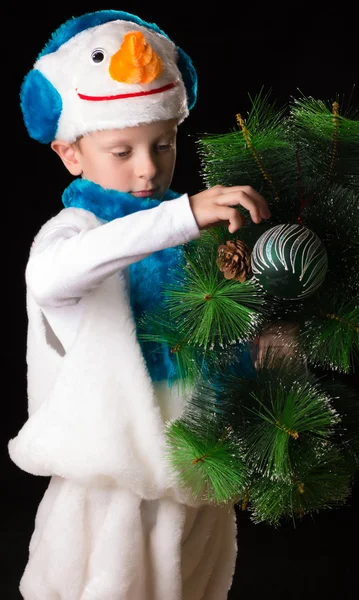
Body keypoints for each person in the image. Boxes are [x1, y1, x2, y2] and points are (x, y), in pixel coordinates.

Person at [8, 10, 299, 600]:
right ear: (70, 155)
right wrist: (182, 215)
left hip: (197, 477)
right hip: (112, 493)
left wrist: (267, 350)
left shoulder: (193, 234)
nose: (147, 168)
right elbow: (55, 276)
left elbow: (212, 338)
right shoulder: (75, 232)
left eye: (161, 144)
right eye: (122, 150)